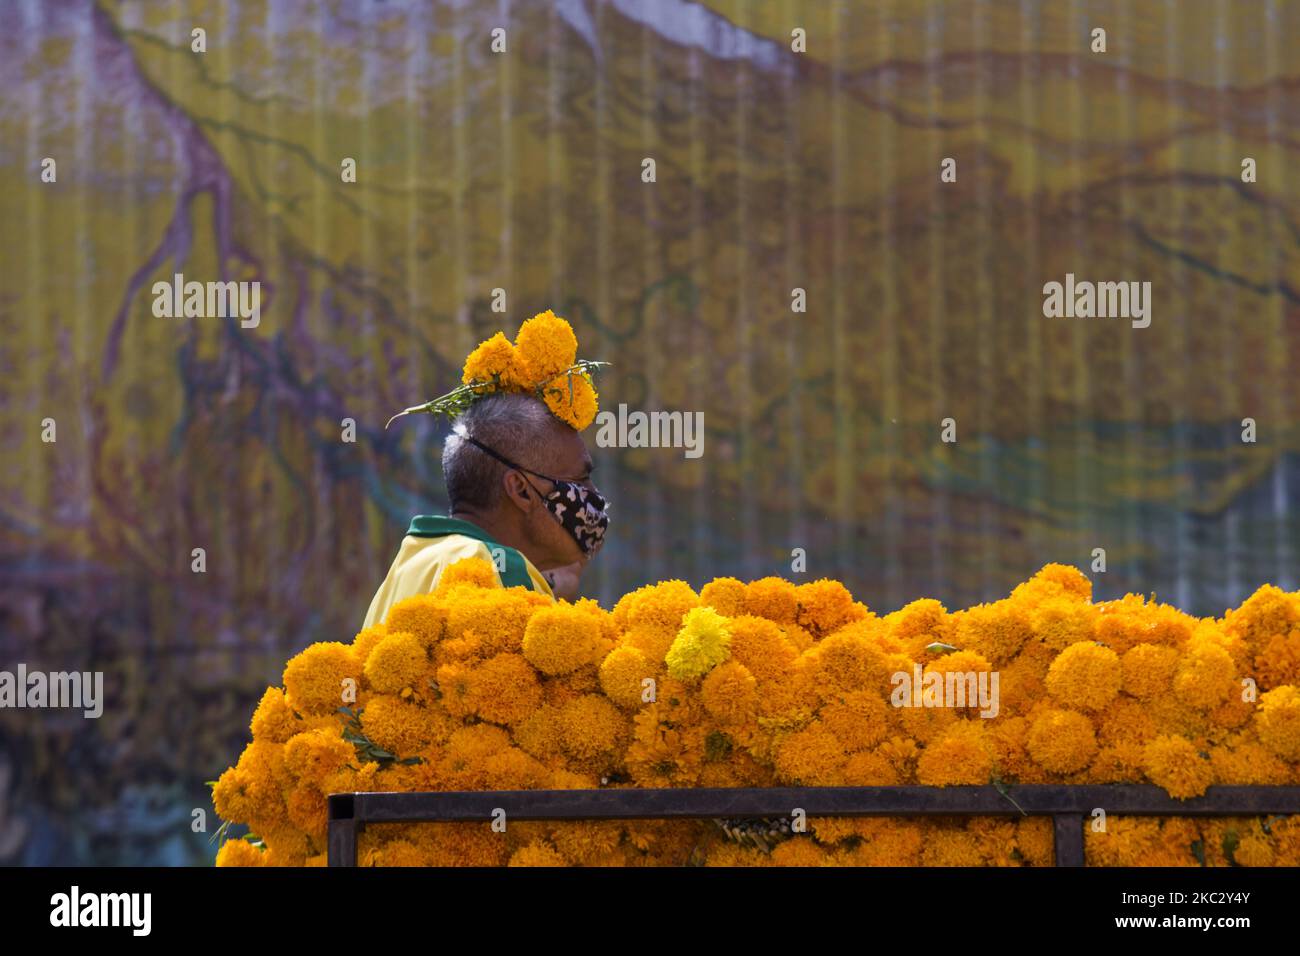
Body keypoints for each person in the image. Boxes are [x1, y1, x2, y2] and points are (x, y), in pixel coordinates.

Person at [362, 391, 609, 628]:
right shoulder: (501, 571)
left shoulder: (413, 561)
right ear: (522, 490)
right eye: (582, 478)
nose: (594, 495)